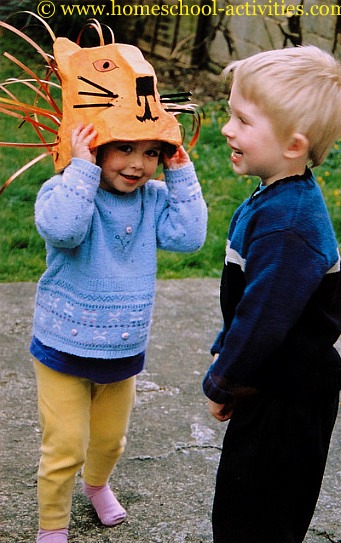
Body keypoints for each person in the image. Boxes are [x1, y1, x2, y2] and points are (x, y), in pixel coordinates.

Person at [202, 45, 341, 543]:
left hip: (288, 404)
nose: (228, 129)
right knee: (245, 512)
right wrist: (231, 353)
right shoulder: (277, 196)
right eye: (230, 115)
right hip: (272, 388)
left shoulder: (287, 226)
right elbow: (252, 301)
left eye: (243, 120)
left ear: (293, 145)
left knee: (256, 523)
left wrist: (224, 379)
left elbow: (264, 319)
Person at [31, 121, 206, 543]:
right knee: (66, 447)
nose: (138, 164)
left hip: (122, 350)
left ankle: (95, 485)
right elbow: (63, 231)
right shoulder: (66, 192)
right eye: (125, 147)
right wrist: (81, 168)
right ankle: (52, 525)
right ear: (95, 147)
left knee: (110, 441)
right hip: (63, 347)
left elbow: (189, 237)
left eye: (151, 153)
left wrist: (181, 173)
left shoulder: (153, 198)